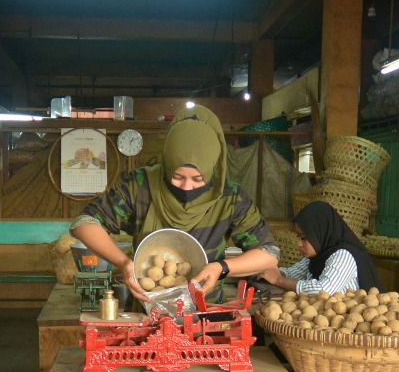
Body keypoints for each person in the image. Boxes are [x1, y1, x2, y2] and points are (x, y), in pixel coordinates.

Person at [70, 105, 278, 300]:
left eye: (198, 179)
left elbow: (269, 254)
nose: (187, 187)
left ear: (212, 168)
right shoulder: (140, 186)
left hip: (206, 312)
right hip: (148, 307)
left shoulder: (230, 198)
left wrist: (221, 268)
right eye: (177, 176)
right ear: (167, 163)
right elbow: (84, 222)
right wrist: (123, 263)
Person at [260, 201, 382, 294]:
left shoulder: (344, 255)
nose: (299, 243)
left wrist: (278, 280)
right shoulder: (318, 256)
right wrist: (267, 271)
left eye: (304, 238)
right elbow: (292, 273)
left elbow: (322, 290)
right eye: (299, 237)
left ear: (321, 233)